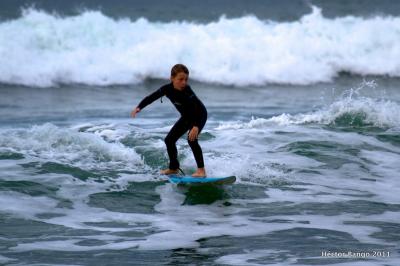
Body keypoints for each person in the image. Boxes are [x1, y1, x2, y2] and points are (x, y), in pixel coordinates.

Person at [131, 64, 207, 177]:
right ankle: (173, 168)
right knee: (169, 140)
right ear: (172, 78)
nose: (184, 82)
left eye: (186, 79)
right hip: (186, 117)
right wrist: (139, 107)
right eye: (180, 79)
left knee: (192, 140)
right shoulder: (167, 89)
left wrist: (196, 126)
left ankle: (201, 170)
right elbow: (151, 97)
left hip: (199, 115)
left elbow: (196, 108)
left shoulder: (187, 90)